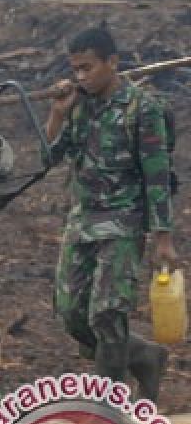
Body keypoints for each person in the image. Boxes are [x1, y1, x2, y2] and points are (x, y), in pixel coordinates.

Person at [45, 27, 175, 401]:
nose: (81, 77)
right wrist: (57, 115)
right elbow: (49, 156)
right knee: (72, 315)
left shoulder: (141, 108)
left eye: (88, 68)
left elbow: (157, 173)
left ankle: (108, 409)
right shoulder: (80, 105)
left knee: (107, 314)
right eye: (76, 70)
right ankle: (145, 355)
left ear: (112, 63)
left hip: (124, 222)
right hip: (82, 221)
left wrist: (162, 237)